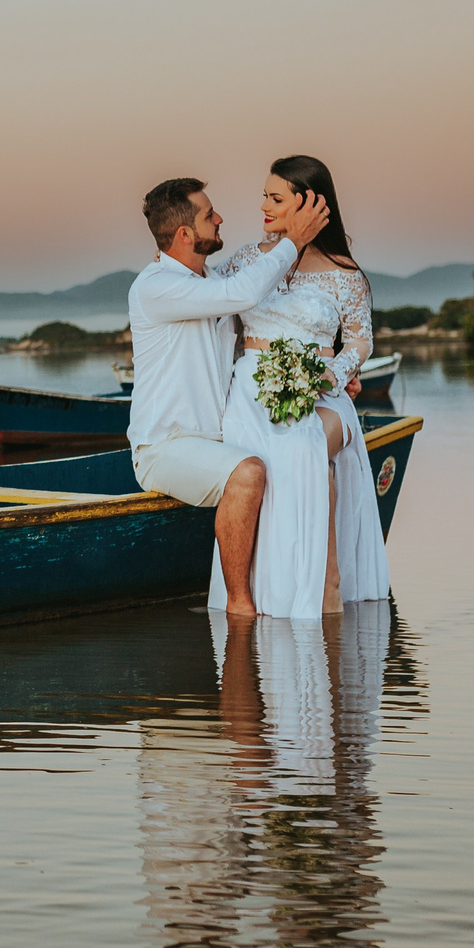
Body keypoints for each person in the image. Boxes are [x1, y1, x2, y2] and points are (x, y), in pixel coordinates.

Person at [128, 175, 334, 619]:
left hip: (218, 440)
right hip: (166, 448)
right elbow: (239, 294)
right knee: (249, 474)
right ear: (185, 234)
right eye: (208, 215)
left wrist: (328, 370)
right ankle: (239, 606)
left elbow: (263, 331)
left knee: (289, 459)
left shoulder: (213, 280)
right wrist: (293, 241)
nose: (220, 219)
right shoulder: (156, 286)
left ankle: (293, 590)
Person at [203, 155, 392, 618]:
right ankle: (265, 596)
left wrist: (333, 373)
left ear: (309, 203)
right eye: (264, 196)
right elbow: (207, 296)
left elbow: (362, 340)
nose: (264, 206)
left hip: (321, 394)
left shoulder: (345, 273)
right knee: (258, 467)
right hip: (251, 395)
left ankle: (324, 588)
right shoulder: (247, 259)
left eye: (276, 197)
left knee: (304, 448)